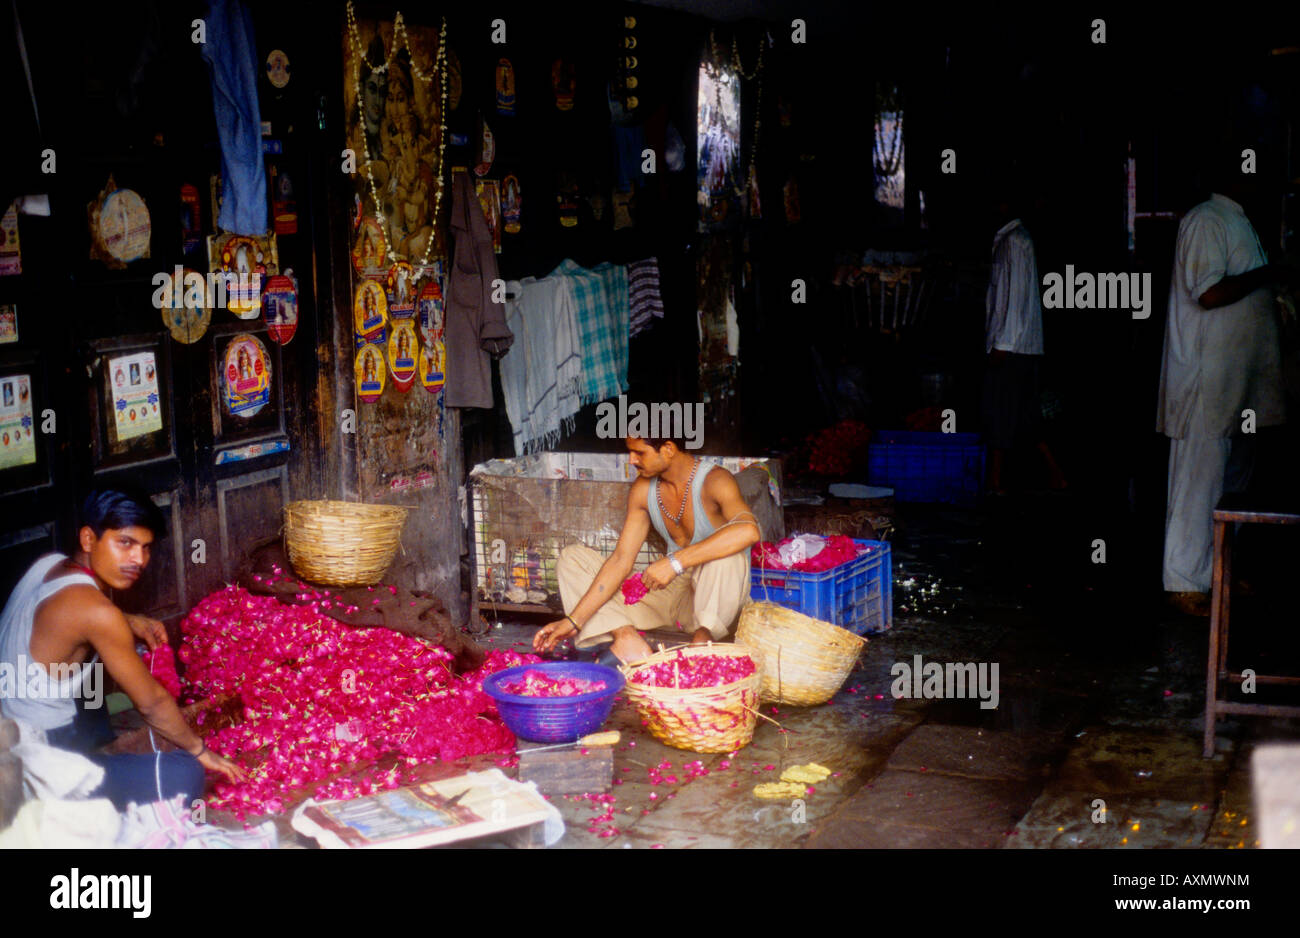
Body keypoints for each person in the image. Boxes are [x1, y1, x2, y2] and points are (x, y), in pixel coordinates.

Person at [0, 487, 245, 809]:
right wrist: (200, 751)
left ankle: (95, 757)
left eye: (146, 548)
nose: (138, 560)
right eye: (125, 543)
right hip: (38, 760)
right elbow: (153, 705)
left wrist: (126, 619)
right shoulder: (98, 613)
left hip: (13, 724)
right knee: (185, 774)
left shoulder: (49, 564)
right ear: (89, 539)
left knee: (90, 679)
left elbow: (61, 616)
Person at [1157, 152, 1291, 616]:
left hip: (1237, 387)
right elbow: (1209, 292)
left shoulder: (1239, 222)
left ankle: (1217, 574)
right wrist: (1267, 274)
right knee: (1199, 481)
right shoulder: (1206, 219)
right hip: (1205, 384)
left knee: (1231, 482)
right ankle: (1183, 581)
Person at [533, 435, 760, 665]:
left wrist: (675, 563)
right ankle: (626, 638)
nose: (631, 460)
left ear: (668, 449)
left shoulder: (715, 480)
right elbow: (622, 560)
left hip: (713, 599)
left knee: (729, 554)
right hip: (670, 593)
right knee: (571, 558)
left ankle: (702, 641)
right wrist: (573, 621)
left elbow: (748, 531)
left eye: (640, 453)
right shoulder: (643, 489)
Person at [981, 190, 1068, 494]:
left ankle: (995, 482)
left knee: (1002, 413)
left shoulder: (1015, 242)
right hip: (1018, 345)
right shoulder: (1010, 240)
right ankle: (1053, 474)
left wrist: (1002, 343)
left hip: (1013, 346)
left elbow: (1015, 298)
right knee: (1022, 415)